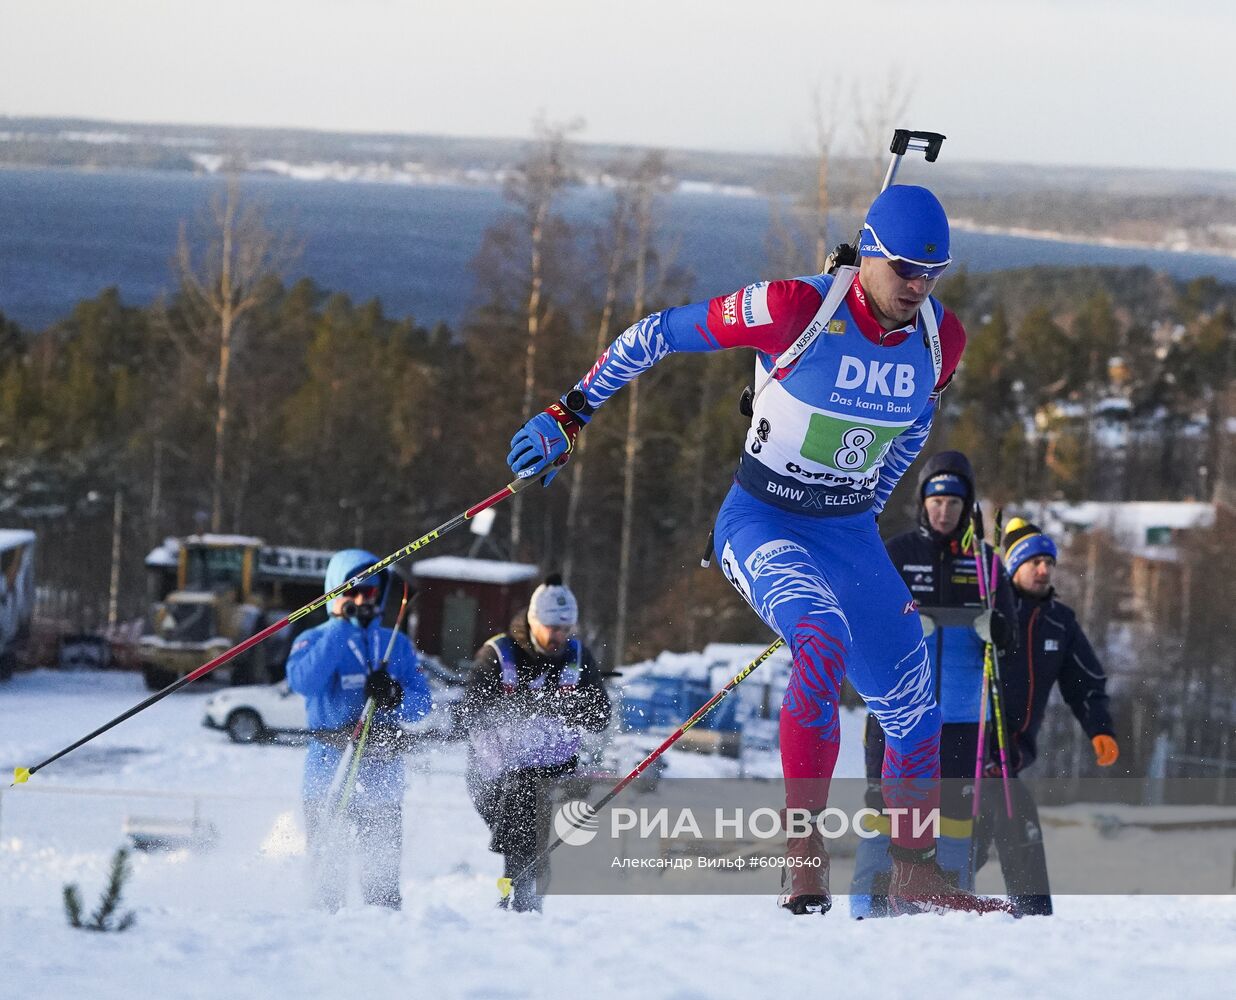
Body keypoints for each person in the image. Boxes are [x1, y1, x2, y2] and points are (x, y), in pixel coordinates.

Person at [506, 185, 1014, 916]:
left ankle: (916, 867)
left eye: (934, 273)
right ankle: (801, 850)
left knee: (912, 702)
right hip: (763, 521)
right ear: (870, 253)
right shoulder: (793, 309)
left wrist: (868, 506)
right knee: (821, 637)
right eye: (904, 268)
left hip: (846, 531)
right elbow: (660, 332)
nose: (918, 286)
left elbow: (909, 433)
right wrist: (573, 408)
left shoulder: (942, 339)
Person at [848, 450, 1017, 917]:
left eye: (954, 503)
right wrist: (903, 625)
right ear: (923, 502)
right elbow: (863, 618)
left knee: (956, 816)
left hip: (962, 713)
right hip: (897, 709)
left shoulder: (985, 563)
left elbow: (1010, 638)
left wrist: (994, 627)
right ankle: (868, 903)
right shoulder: (898, 552)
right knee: (886, 808)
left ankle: (950, 906)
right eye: (936, 501)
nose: (944, 511)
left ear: (967, 508)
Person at [970, 518, 1119, 915]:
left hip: (1010, 764)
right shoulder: (987, 610)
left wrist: (1099, 728)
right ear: (1013, 565)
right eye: (1033, 562)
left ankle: (1034, 925)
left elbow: (1084, 681)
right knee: (960, 853)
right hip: (965, 760)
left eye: (1049, 563)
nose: (1043, 570)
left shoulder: (1060, 622)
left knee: (1025, 845)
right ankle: (932, 918)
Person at [286, 548, 432, 911]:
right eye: (351, 591)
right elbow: (303, 682)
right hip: (328, 778)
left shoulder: (396, 642)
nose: (361, 600)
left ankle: (381, 949)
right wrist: (339, 626)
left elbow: (423, 703)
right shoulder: (314, 638)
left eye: (369, 592)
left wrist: (396, 696)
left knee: (381, 887)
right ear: (334, 591)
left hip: (381, 783)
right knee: (327, 884)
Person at [461, 575, 611, 912]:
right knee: (524, 827)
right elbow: (468, 713)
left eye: (566, 628)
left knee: (534, 841)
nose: (559, 636)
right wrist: (526, 706)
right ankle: (516, 901)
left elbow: (601, 715)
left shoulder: (577, 656)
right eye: (551, 628)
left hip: (554, 772)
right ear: (532, 621)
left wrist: (578, 707)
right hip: (494, 775)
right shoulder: (498, 653)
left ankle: (521, 902)